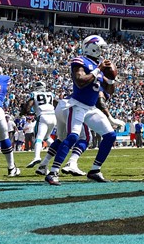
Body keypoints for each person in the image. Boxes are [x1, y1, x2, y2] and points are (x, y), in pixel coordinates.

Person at [44, 34, 118, 185]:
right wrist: (99, 70)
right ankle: (53, 173)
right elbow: (80, 81)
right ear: (92, 47)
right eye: (100, 48)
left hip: (91, 108)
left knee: (110, 135)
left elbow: (110, 90)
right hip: (77, 105)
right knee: (72, 137)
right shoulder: (80, 61)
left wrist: (111, 78)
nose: (102, 51)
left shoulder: (99, 66)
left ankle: (95, 170)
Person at [22, 80, 56, 169]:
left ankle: (37, 157)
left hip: (43, 115)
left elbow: (29, 105)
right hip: (53, 116)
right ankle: (57, 151)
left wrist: (27, 111)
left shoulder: (34, 94)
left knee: (39, 137)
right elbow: (56, 103)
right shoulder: (50, 94)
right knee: (47, 137)